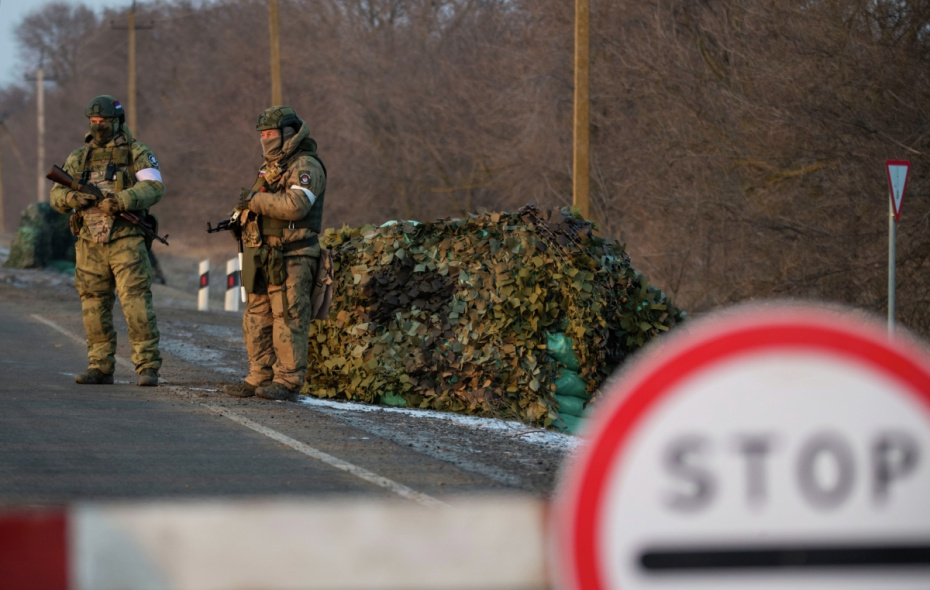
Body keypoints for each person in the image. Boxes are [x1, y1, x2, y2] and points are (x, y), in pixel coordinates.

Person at [50, 95, 164, 387]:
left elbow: (154, 187)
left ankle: (147, 366)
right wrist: (73, 197)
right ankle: (99, 366)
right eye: (94, 122)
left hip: (126, 239)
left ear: (117, 122)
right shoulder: (80, 157)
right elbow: (55, 195)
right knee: (93, 305)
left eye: (104, 122)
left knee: (136, 303)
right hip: (89, 240)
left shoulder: (137, 151)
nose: (98, 126)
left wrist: (122, 200)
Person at [224, 106, 327, 402]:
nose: (266, 139)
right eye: (263, 135)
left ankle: (288, 380)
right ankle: (259, 375)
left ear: (288, 134)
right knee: (256, 316)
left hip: (292, 254)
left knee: (288, 317)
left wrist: (254, 200)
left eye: (271, 134)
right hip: (260, 252)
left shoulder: (305, 165)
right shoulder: (270, 166)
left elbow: (296, 205)